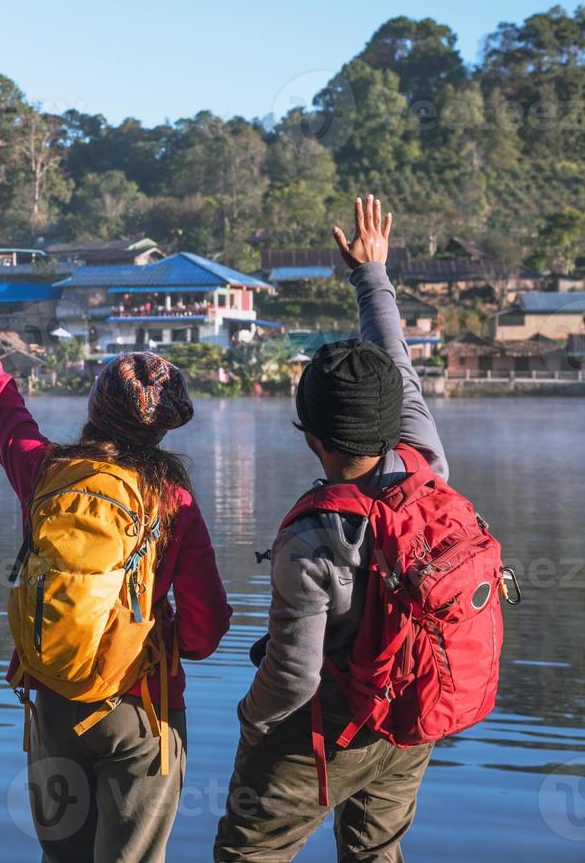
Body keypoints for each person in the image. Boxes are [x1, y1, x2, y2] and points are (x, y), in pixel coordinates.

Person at [0, 222, 231, 863]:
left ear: (94, 408)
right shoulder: (174, 503)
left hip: (51, 700)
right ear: (164, 428)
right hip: (137, 709)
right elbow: (205, 630)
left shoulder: (45, 473)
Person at [214, 196, 452, 862]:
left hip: (335, 724)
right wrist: (370, 273)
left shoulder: (312, 539)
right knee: (375, 855)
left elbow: (291, 677)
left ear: (312, 438)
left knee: (246, 854)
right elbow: (395, 359)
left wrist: (252, 725)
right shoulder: (428, 466)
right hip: (414, 713)